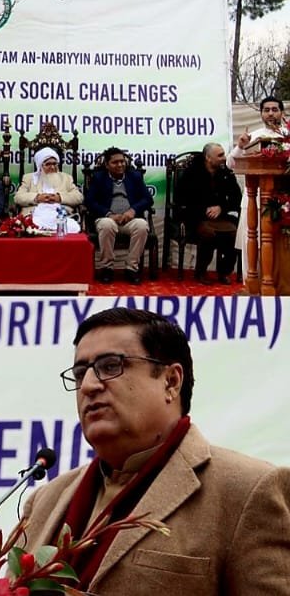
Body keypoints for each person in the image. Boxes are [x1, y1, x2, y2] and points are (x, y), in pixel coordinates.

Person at [20, 307, 290, 594]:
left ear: (171, 381)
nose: (88, 386)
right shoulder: (44, 501)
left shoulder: (248, 491)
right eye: (79, 373)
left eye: (111, 366)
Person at [85, 147, 152, 284]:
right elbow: (89, 201)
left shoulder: (134, 176)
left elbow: (147, 199)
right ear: (107, 165)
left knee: (142, 226)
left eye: (122, 161)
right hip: (108, 218)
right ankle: (107, 268)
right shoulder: (99, 178)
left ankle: (131, 268)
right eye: (115, 162)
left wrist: (133, 210)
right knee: (106, 225)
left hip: (130, 219)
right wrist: (108, 214)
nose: (120, 165)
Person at [178, 142, 241, 284]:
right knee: (208, 233)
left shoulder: (226, 173)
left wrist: (221, 208)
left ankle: (224, 272)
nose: (224, 158)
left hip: (221, 217)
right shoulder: (191, 173)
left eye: (224, 154)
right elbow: (181, 198)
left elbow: (236, 198)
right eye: (220, 155)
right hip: (196, 216)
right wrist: (203, 210)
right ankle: (200, 272)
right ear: (208, 157)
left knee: (236, 234)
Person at [15, 147, 82, 231]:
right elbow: (18, 198)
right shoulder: (29, 178)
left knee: (73, 227)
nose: (52, 167)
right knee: (32, 226)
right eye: (48, 164)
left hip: (59, 215)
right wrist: (37, 197)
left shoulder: (66, 178)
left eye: (54, 164)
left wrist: (59, 198)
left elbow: (78, 197)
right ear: (40, 166)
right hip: (36, 215)